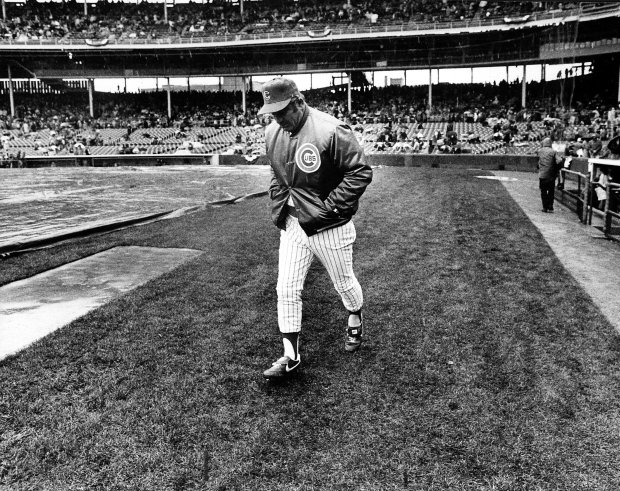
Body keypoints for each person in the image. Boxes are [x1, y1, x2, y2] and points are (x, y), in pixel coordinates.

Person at [258, 77, 373, 380]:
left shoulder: (331, 129)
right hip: (293, 224)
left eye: (282, 111)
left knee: (344, 284)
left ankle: (355, 314)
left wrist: (328, 209)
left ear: (298, 101)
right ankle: (290, 356)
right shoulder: (272, 131)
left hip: (330, 226)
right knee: (286, 289)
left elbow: (360, 172)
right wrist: (279, 200)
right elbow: (275, 169)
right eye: (272, 113)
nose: (278, 119)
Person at [537, 137, 563, 213]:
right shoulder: (553, 151)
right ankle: (550, 206)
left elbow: (539, 162)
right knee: (551, 191)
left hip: (542, 174)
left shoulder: (540, 151)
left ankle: (544, 207)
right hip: (551, 175)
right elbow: (559, 160)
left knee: (543, 191)